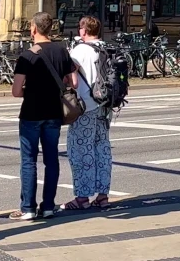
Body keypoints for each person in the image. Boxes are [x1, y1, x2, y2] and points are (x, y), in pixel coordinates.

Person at [11, 12, 75, 221]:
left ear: (33, 29)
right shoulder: (62, 51)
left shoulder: (27, 56)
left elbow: (16, 90)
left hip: (31, 112)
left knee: (28, 161)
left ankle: (28, 208)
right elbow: (72, 82)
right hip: (54, 113)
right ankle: (48, 206)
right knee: (51, 160)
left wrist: (29, 91)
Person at [65, 16, 114, 210]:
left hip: (84, 107)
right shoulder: (106, 48)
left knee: (80, 150)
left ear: (84, 30)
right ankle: (103, 195)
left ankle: (82, 197)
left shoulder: (80, 50)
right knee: (102, 149)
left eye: (80, 28)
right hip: (105, 106)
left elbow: (70, 77)